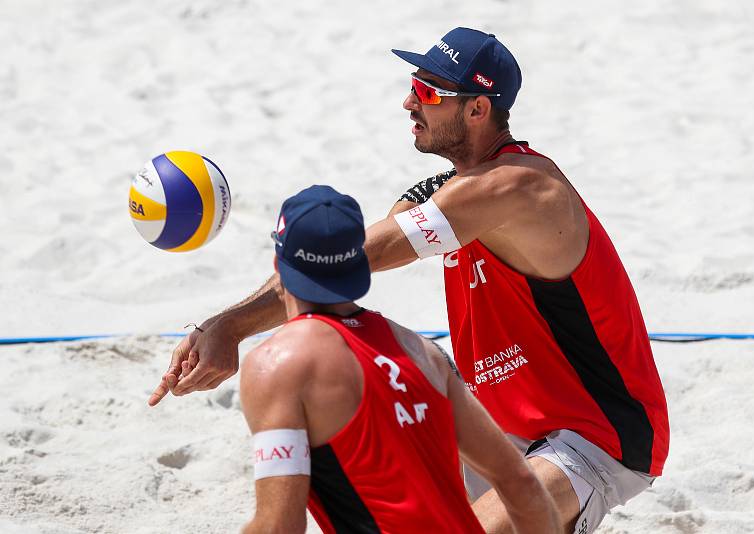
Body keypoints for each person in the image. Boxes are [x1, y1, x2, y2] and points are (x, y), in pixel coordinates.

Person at [149, 27, 669, 534]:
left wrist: (230, 326)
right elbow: (349, 249)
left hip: (594, 434)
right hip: (502, 422)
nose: (408, 103)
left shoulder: (519, 186)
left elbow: (353, 256)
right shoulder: (453, 186)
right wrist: (229, 325)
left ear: (477, 109)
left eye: (426, 91)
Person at [235, 184, 558, 533]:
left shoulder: (276, 364)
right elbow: (521, 484)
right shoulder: (423, 352)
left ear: (278, 266)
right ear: (358, 266)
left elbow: (279, 526)